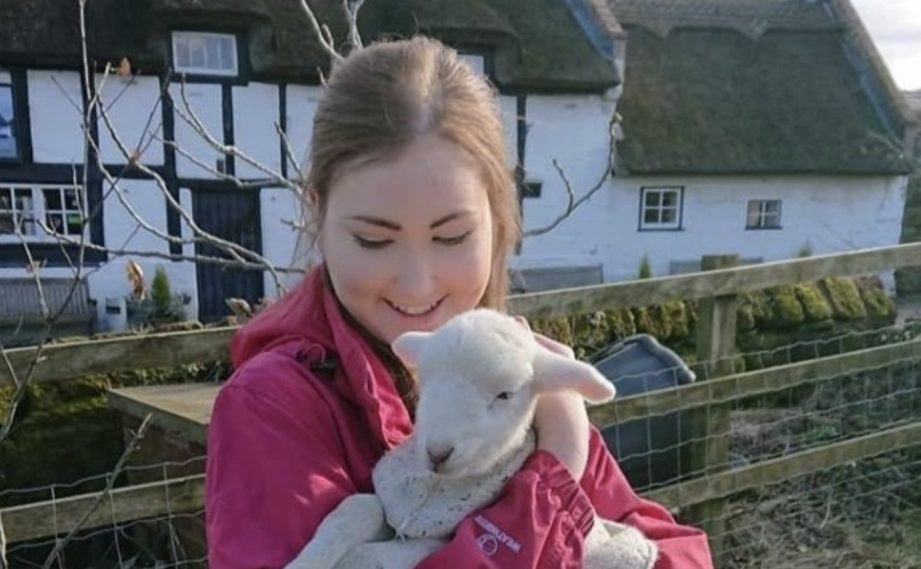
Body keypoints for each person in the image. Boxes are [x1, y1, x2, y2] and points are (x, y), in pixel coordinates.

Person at [204, 36, 713, 568]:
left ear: (496, 218)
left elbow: (672, 548)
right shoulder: (273, 409)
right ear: (319, 215)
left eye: (451, 238)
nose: (418, 285)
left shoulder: (512, 369)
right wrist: (555, 469)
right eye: (373, 241)